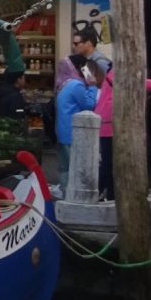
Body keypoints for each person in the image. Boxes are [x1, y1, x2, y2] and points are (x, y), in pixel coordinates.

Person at [93, 57, 151, 199]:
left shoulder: (116, 73)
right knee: (108, 163)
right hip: (108, 123)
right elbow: (142, 83)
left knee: (114, 164)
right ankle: (96, 193)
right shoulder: (117, 74)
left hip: (111, 122)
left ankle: (111, 196)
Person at [53, 55, 99, 195]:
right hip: (72, 133)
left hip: (62, 132)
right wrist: (92, 85)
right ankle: (72, 195)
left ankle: (64, 192)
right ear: (80, 68)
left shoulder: (64, 84)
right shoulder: (76, 85)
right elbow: (88, 105)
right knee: (74, 166)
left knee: (64, 167)